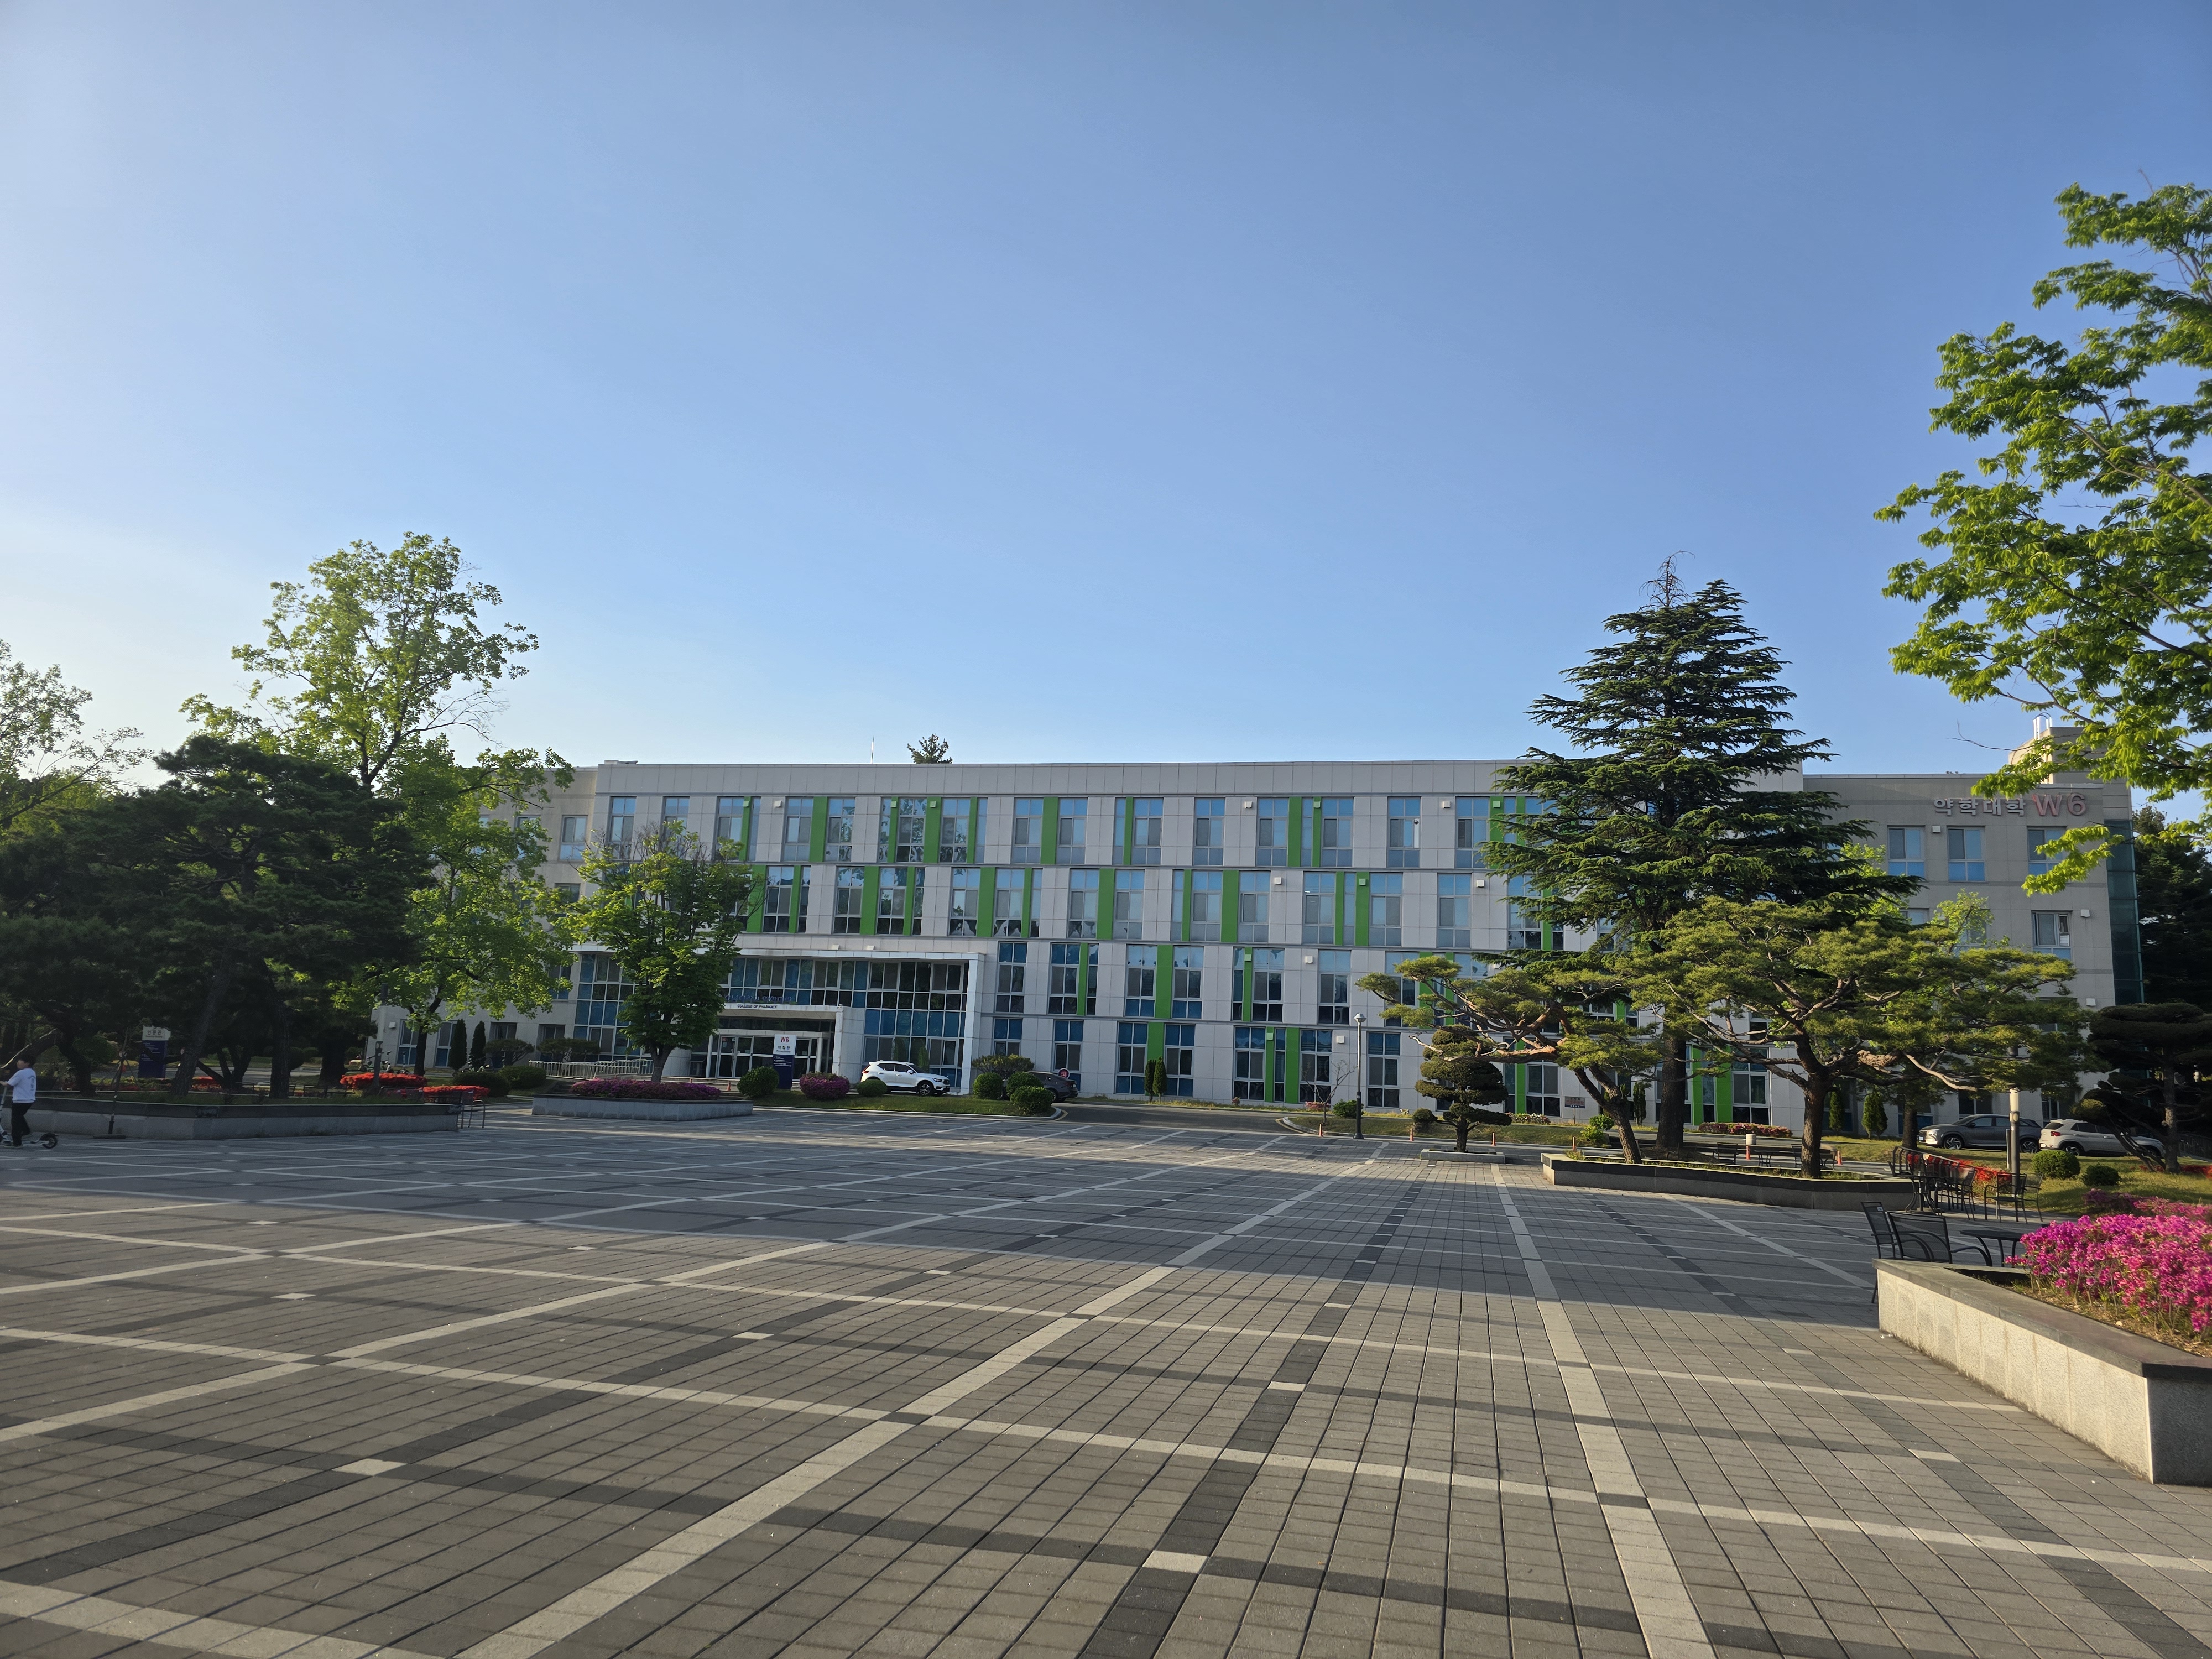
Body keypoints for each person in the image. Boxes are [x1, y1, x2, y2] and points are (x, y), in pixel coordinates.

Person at [6, 1056, 35, 1147]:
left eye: (21, 1061)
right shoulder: (32, 1072)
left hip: (20, 1100)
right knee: (19, 1116)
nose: (19, 1062)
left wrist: (2, 1083)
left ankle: (17, 1142)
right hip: (30, 1099)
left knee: (15, 1121)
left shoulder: (21, 1073)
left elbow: (9, 1084)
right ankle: (26, 1131)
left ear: (27, 1063)